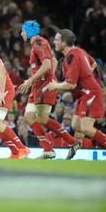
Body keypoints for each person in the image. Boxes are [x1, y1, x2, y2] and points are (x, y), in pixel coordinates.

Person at [47, 29, 106, 161]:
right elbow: (93, 64)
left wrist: (55, 85)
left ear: (64, 43)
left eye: (57, 40)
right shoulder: (79, 51)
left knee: (86, 128)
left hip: (90, 93)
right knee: (76, 126)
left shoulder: (72, 57)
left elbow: (70, 85)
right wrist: (85, 75)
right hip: (84, 95)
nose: (54, 42)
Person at [18, 20, 80, 159]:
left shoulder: (39, 43)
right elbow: (54, 61)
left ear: (29, 31)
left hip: (44, 85)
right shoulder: (37, 44)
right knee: (29, 116)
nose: (21, 33)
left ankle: (72, 141)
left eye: (23, 30)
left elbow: (47, 65)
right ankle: (48, 150)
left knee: (43, 119)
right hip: (39, 85)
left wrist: (33, 80)